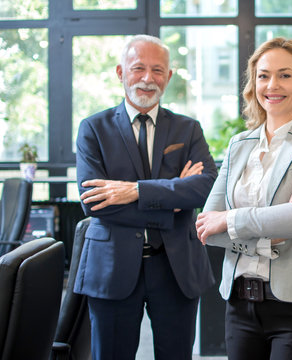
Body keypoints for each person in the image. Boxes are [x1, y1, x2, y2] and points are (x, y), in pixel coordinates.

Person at [195, 37, 292, 360]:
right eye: (263, 75)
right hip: (241, 306)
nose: (272, 84)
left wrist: (232, 219)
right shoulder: (239, 144)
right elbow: (207, 228)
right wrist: (276, 227)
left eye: (285, 75)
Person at [75, 34, 217, 360]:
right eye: (138, 68)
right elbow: (94, 202)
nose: (147, 78)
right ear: (120, 72)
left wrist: (133, 191)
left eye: (157, 70)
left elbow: (205, 186)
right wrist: (172, 200)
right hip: (111, 268)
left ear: (168, 77)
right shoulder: (92, 128)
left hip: (176, 268)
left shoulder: (188, 129)